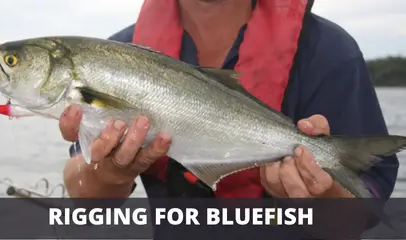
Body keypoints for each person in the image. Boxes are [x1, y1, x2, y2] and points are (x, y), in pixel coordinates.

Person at [61, 0, 398, 204]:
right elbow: (85, 196)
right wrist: (112, 172)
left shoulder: (331, 53)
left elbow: (361, 218)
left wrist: (323, 196)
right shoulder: (114, 59)